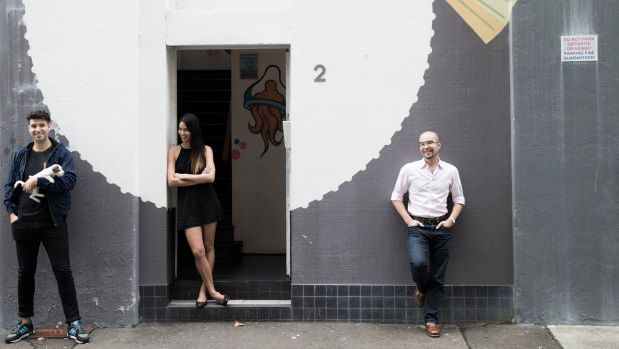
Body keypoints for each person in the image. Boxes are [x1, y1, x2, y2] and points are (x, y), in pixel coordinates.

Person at [3, 111, 90, 344]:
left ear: (49, 126)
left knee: (63, 272)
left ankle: (74, 324)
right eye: (33, 126)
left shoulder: (61, 154)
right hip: (24, 223)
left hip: (52, 223)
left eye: (42, 125)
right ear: (29, 128)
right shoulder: (21, 155)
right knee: (25, 274)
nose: (37, 129)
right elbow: (9, 185)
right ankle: (25, 324)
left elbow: (70, 181)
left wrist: (40, 180)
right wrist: (12, 214)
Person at [391, 131, 465, 338]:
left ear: (439, 145)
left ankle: (431, 320)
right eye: (422, 144)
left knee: (438, 276)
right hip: (417, 227)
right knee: (419, 264)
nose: (426, 147)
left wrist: (450, 220)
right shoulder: (409, 169)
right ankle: (422, 289)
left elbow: (459, 199)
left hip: (442, 229)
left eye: (430, 142)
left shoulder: (450, 171)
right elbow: (396, 196)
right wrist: (408, 220)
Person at [167, 113, 229, 307]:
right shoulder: (174, 152)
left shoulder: (206, 150)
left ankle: (203, 290)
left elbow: (210, 179)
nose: (182, 133)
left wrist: (184, 176)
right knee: (198, 251)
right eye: (180, 129)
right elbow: (171, 181)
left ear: (194, 131)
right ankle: (213, 291)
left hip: (208, 203)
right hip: (188, 207)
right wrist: (197, 177)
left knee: (209, 247)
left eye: (185, 129)